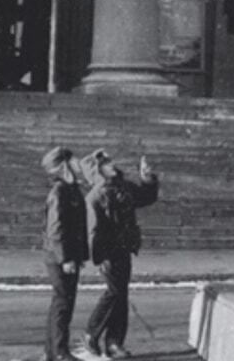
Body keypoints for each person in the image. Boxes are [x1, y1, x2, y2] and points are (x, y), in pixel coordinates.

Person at [81, 149, 159, 359]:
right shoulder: (96, 195)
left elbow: (146, 197)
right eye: (106, 163)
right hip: (108, 252)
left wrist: (147, 178)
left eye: (110, 161)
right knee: (114, 293)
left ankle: (114, 343)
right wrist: (100, 257)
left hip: (123, 248)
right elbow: (92, 230)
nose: (112, 165)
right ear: (98, 169)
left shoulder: (122, 186)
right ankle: (91, 333)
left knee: (121, 295)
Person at [41, 146, 88, 361]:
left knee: (61, 302)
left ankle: (52, 351)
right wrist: (66, 258)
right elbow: (56, 229)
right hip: (59, 257)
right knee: (63, 303)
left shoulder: (72, 189)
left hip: (67, 255)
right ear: (64, 165)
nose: (79, 163)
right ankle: (59, 352)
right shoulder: (59, 191)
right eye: (74, 159)